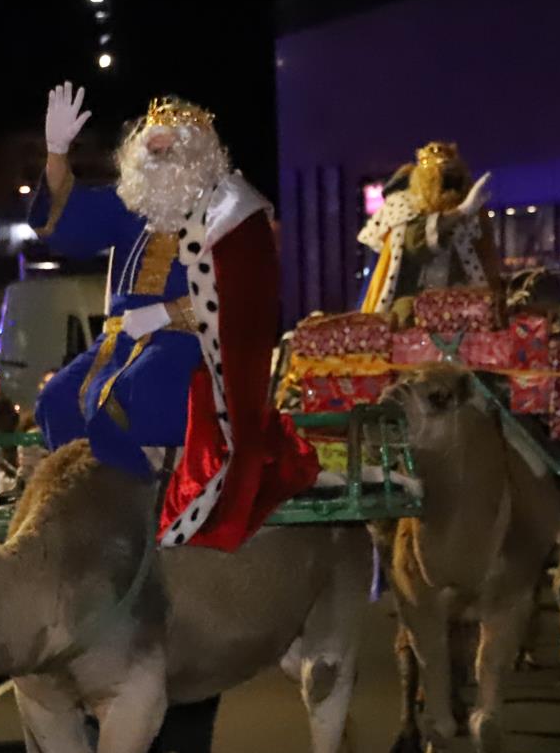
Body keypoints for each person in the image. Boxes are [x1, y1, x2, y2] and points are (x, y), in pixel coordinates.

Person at [29, 83, 316, 549]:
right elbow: (64, 224)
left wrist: (165, 313)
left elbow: (245, 300)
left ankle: (147, 508)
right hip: (119, 341)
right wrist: (58, 153)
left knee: (131, 395)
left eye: (168, 150)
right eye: (152, 149)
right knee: (57, 399)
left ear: (198, 156)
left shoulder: (233, 213)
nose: (157, 159)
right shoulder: (132, 208)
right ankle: (92, 507)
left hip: (190, 342)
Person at [355, 142, 497, 316]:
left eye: (454, 177)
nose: (449, 185)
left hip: (455, 302)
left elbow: (484, 259)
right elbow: (416, 244)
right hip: (411, 302)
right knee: (405, 313)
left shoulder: (470, 210)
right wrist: (459, 212)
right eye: (444, 177)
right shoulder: (403, 205)